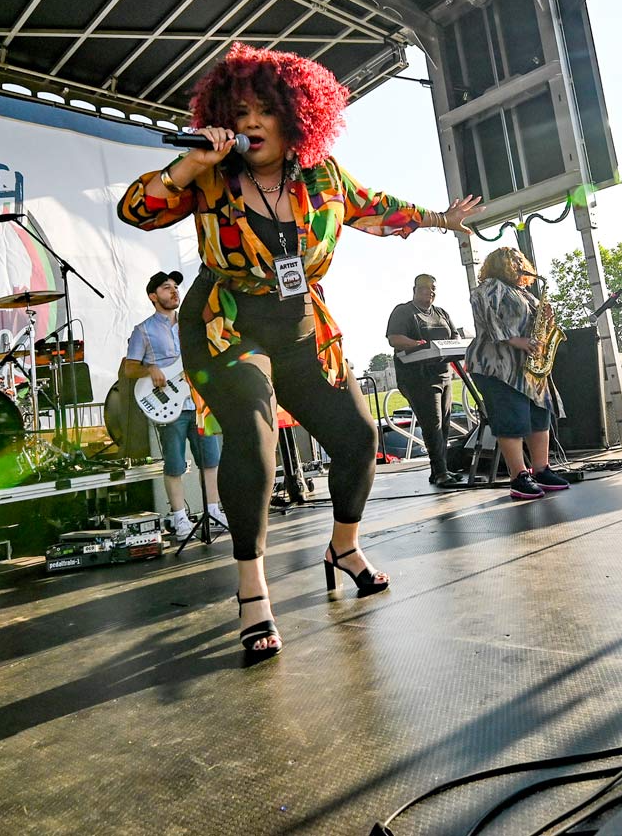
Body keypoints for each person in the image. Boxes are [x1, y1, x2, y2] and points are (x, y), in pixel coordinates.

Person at [116, 43, 481, 664]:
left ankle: (343, 546)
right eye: (239, 111)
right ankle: (251, 588)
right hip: (226, 323)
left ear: (295, 115)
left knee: (359, 437)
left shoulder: (324, 176)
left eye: (263, 110)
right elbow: (136, 210)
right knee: (253, 438)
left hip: (302, 325)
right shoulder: (208, 175)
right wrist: (189, 163)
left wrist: (440, 219)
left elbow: (378, 208)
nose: (250, 121)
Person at [122, 270, 226, 540]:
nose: (174, 291)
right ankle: (179, 518)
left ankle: (213, 511)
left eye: (176, 287)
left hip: (199, 401)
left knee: (211, 460)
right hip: (169, 405)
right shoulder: (143, 330)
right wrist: (150, 369)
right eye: (167, 288)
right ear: (153, 296)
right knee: (175, 463)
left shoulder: (193, 325)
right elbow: (129, 368)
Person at [464, 247, 572, 501]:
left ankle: (541, 469)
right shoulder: (489, 286)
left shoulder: (525, 294)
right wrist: (515, 340)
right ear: (500, 265)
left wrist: (547, 318)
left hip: (528, 367)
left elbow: (538, 328)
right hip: (497, 365)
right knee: (511, 417)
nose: (518, 264)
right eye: (512, 261)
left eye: (519, 260)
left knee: (539, 416)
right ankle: (518, 476)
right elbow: (485, 314)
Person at [385, 274, 461, 485]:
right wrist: (417, 344)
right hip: (418, 378)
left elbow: (454, 336)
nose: (430, 292)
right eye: (425, 288)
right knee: (432, 423)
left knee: (444, 423)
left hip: (443, 373)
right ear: (415, 289)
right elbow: (395, 339)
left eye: (433, 288)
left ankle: (440, 469)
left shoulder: (441, 313)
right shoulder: (404, 311)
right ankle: (440, 472)